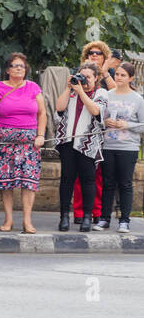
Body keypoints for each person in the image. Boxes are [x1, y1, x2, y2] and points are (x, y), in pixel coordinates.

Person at [0, 51, 46, 234]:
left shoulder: (34, 87)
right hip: (4, 142)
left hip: (29, 143)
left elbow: (42, 113)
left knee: (29, 181)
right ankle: (8, 219)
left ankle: (27, 220)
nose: (19, 69)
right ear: (8, 70)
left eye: (22, 66)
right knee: (6, 182)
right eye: (15, 65)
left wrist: (41, 135)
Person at [53, 62, 106, 232]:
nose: (84, 80)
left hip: (87, 144)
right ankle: (64, 218)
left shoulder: (101, 93)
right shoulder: (72, 91)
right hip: (68, 142)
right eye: (82, 75)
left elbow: (96, 111)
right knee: (67, 180)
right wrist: (69, 88)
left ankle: (87, 218)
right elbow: (59, 108)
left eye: (88, 77)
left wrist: (81, 91)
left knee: (88, 181)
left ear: (96, 78)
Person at [99, 61, 144, 232]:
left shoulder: (137, 99)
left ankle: (124, 220)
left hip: (128, 148)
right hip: (108, 145)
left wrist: (127, 125)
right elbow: (98, 120)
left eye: (123, 75)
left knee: (125, 184)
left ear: (131, 78)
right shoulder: (108, 95)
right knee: (108, 183)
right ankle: (104, 219)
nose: (118, 77)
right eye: (117, 74)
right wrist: (105, 122)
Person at [73, 40, 111, 224]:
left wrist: (105, 73)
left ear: (104, 57)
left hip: (104, 132)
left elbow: (117, 92)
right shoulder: (79, 76)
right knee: (81, 176)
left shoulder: (110, 76)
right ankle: (79, 212)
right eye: (90, 53)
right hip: (81, 132)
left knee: (97, 177)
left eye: (98, 53)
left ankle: (96, 211)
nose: (94, 55)